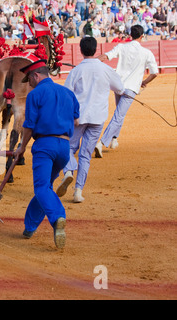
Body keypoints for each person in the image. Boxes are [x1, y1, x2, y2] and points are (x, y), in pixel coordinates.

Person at [13, 59, 80, 249]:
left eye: (30, 80)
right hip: (64, 148)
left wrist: (22, 147)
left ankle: (57, 217)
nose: (30, 84)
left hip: (44, 145)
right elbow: (76, 121)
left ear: (36, 75)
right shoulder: (68, 93)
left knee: (41, 188)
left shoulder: (36, 94)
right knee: (47, 187)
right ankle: (30, 226)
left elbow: (29, 125)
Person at [56, 37, 124, 203]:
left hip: (78, 117)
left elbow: (66, 95)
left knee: (69, 148)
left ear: (80, 50)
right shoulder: (105, 69)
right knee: (86, 154)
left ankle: (69, 171)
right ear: (96, 50)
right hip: (97, 117)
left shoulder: (76, 71)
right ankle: (78, 191)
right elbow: (120, 88)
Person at [94, 25, 158, 157]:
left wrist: (90, 62)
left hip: (118, 85)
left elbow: (106, 56)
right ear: (142, 36)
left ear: (130, 35)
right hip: (131, 88)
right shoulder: (147, 52)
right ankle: (101, 142)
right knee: (119, 115)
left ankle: (114, 139)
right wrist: (144, 82)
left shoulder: (122, 47)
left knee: (119, 113)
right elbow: (154, 73)